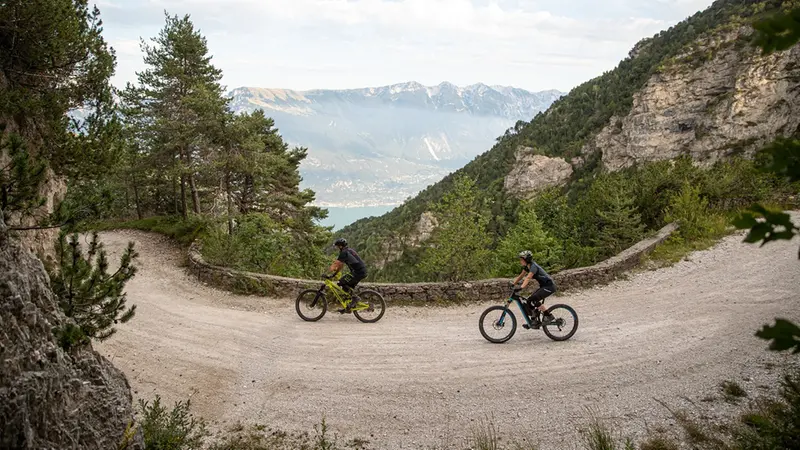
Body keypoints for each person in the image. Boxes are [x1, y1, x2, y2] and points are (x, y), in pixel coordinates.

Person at [511, 250, 557, 328]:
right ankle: (534, 320)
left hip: (549, 286)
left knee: (534, 299)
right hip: (543, 286)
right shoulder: (527, 267)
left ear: (526, 260)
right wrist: (513, 283)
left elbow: (528, 277)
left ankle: (548, 316)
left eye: (521, 259)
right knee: (529, 300)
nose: (520, 261)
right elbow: (521, 276)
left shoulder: (533, 266)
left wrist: (521, 287)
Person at [325, 237, 368, 313]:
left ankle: (355, 298)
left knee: (341, 282)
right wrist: (334, 274)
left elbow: (336, 264)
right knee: (346, 289)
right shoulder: (349, 250)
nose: (337, 248)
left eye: (337, 246)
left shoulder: (344, 252)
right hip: (360, 271)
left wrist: (327, 272)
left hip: (358, 272)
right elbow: (340, 265)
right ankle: (348, 307)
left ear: (340, 246)